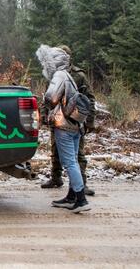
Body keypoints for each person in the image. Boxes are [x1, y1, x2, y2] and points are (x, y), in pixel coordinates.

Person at [36, 44, 91, 213]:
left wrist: (45, 101)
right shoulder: (67, 74)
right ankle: (71, 197)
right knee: (73, 160)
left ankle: (81, 200)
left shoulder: (59, 75)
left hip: (64, 126)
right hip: (74, 125)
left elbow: (51, 98)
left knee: (69, 163)